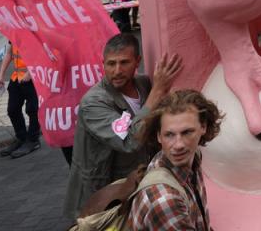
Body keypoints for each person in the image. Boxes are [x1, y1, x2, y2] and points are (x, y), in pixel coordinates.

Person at [64, 34, 183, 219]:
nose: (117, 70)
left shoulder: (144, 85)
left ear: (137, 61)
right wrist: (158, 91)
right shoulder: (93, 102)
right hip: (103, 196)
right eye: (111, 64)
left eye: (124, 63)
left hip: (134, 186)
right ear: (103, 63)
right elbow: (129, 141)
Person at [127, 89, 223, 231]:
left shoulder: (193, 156)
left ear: (203, 127)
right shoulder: (165, 200)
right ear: (159, 136)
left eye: (187, 132)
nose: (178, 145)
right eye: (169, 135)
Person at [0, 42, 41, 159]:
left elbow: (43, 54)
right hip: (17, 77)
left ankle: (33, 140)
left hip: (33, 78)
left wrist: (30, 72)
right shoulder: (14, 30)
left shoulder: (34, 30)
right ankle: (21, 138)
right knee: (12, 110)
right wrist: (1, 75)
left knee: (33, 110)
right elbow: (10, 52)